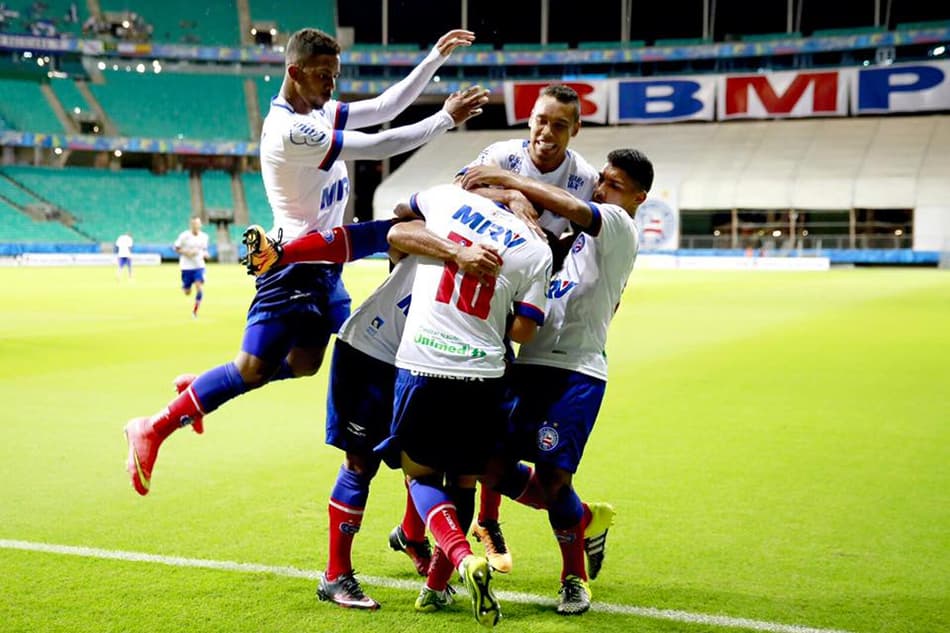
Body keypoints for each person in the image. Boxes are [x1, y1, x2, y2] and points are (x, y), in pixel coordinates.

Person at [123, 26, 489, 497]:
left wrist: (434, 57)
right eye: (322, 76)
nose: (330, 85)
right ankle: (153, 426)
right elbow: (379, 144)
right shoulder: (293, 130)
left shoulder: (316, 110)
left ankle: (210, 388)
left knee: (305, 363)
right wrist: (444, 118)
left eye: (334, 75)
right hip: (293, 266)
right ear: (294, 73)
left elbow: (383, 108)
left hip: (326, 264)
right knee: (263, 367)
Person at [242, 206, 502, 610]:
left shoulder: (501, 252)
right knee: (361, 464)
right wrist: (454, 250)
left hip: (417, 365)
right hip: (367, 353)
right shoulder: (436, 229)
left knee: (423, 463)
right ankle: (335, 576)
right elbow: (396, 228)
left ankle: (413, 539)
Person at [389, 83, 600, 575]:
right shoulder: (502, 152)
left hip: (520, 294)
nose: (547, 133)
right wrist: (510, 191)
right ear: (530, 118)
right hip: (470, 289)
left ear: (576, 129)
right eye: (541, 120)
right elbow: (462, 187)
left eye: (560, 125)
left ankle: (463, 526)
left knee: (474, 440)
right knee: (455, 440)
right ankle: (434, 530)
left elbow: (580, 237)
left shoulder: (584, 178)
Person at [459, 148, 654, 615]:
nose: (603, 188)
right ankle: (584, 518)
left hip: (577, 370)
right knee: (492, 467)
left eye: (616, 185)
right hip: (532, 364)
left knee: (552, 478)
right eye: (602, 180)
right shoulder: (576, 242)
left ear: (639, 197)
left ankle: (574, 578)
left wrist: (507, 178)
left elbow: (571, 205)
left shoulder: (618, 226)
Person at [374, 183, 553, 627]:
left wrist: (447, 252)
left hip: (423, 363)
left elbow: (396, 227)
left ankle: (461, 556)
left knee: (419, 476)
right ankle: (435, 588)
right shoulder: (537, 249)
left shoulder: (450, 200)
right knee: (466, 481)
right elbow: (522, 331)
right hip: (484, 376)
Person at [174, 216, 210, 318]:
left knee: (199, 287)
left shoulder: (204, 237)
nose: (195, 226)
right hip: (186, 267)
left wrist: (206, 254)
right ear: (191, 225)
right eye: (194, 224)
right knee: (187, 292)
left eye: (197, 223)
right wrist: (187, 253)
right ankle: (185, 286)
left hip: (199, 266)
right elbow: (176, 248)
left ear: (200, 225)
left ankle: (195, 311)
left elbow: (204, 249)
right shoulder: (184, 236)